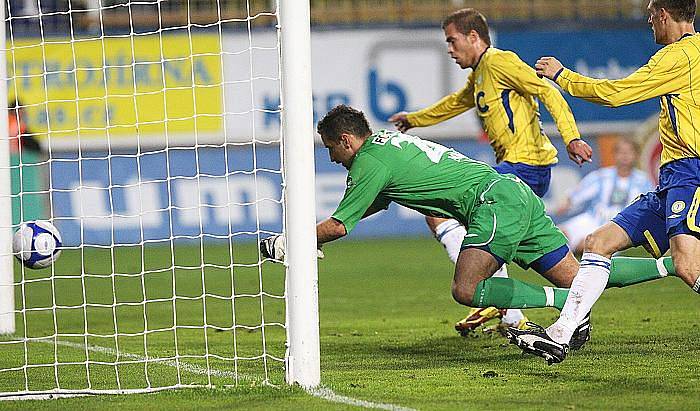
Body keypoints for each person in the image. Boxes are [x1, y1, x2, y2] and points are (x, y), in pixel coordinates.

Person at [509, 0, 700, 364]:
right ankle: (560, 334)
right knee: (598, 242)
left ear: (662, 14)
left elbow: (615, 94)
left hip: (692, 172)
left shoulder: (678, 56)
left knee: (688, 265)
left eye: (650, 14)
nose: (647, 21)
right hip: (674, 177)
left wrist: (562, 75)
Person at [388, 8, 593, 335]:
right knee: (529, 250)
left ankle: (500, 305)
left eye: (453, 41)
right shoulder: (480, 73)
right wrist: (416, 119)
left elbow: (548, 90)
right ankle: (559, 302)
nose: (450, 50)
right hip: (517, 167)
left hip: (525, 165)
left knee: (443, 214)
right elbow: (455, 103)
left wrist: (572, 137)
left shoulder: (500, 61)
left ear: (473, 37)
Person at [557, 138, 654, 254]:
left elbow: (651, 208)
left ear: (636, 155)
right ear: (615, 154)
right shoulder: (601, 176)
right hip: (593, 219)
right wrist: (568, 202)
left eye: (629, 152)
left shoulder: (643, 181)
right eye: (621, 152)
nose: (624, 156)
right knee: (558, 234)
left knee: (586, 245)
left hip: (619, 227)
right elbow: (577, 194)